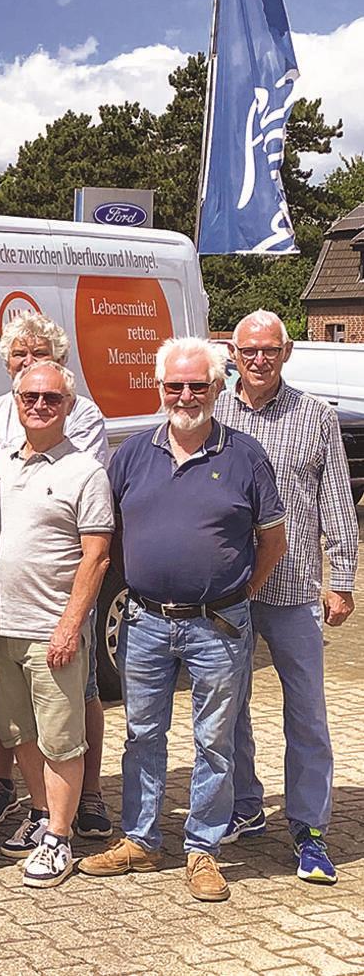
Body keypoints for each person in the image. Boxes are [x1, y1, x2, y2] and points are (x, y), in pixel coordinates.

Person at [80, 337, 287, 903]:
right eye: (176, 385)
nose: (187, 395)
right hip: (145, 621)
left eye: (199, 384)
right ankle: (142, 841)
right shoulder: (131, 455)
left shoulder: (245, 456)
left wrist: (243, 590)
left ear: (219, 387)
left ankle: (203, 849)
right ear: (160, 387)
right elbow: (111, 533)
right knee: (142, 734)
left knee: (214, 741)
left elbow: (273, 539)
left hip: (219, 624)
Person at [215, 310, 358, 885]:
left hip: (296, 588)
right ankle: (246, 805)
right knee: (229, 708)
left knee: (307, 714)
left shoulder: (316, 417)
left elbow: (337, 499)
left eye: (268, 349)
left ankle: (310, 829)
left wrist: (342, 577)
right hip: (229, 588)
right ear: (233, 353)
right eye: (248, 350)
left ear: (286, 351)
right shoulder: (213, 411)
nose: (257, 359)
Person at [0, 312, 112, 838]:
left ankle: (78, 806)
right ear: (6, 364)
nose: (29, 367)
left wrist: (71, 620)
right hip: (3, 612)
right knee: (13, 716)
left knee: (72, 708)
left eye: (39, 355)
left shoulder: (82, 422)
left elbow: (85, 522)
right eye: (19, 357)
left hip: (58, 603)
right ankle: (31, 803)